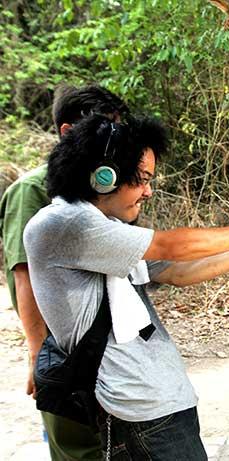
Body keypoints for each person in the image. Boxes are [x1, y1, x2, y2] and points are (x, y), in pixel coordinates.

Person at [23, 113, 229, 460]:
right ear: (103, 177)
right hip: (140, 410)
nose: (148, 191)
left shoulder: (102, 227)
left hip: (156, 402)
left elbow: (174, 270)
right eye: (140, 180)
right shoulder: (65, 224)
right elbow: (170, 246)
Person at [0, 84, 129, 460]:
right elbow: (23, 276)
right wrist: (38, 356)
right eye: (105, 132)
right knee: (79, 450)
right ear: (68, 133)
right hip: (63, 355)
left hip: (103, 347)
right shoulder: (32, 191)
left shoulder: (100, 188)